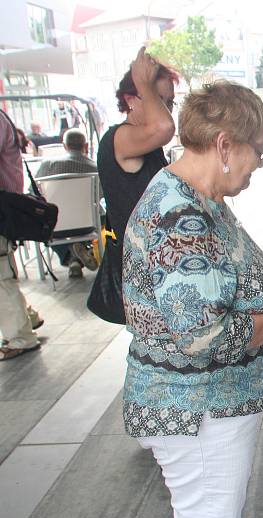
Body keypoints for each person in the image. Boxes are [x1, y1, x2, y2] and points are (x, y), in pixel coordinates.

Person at [123, 79, 263, 518]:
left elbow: (216, 285)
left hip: (203, 410)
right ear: (226, 144)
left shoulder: (199, 197)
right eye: (259, 151)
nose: (259, 165)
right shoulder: (181, 217)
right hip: (198, 414)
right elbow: (203, 335)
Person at [88, 46, 177, 323]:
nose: (166, 109)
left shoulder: (142, 143)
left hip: (152, 265)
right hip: (142, 270)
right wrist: (143, 82)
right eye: (157, 99)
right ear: (131, 100)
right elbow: (164, 128)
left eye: (169, 102)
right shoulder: (121, 137)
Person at [0, 109, 42, 361]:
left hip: (3, 207)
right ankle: (26, 317)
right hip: (6, 207)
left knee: (1, 276)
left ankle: (21, 336)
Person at [35, 128, 100, 278]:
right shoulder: (95, 169)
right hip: (88, 225)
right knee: (101, 214)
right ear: (86, 145)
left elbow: (34, 193)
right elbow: (100, 198)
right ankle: (80, 254)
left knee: (48, 220)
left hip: (54, 226)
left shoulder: (48, 165)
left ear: (64, 146)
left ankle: (72, 258)